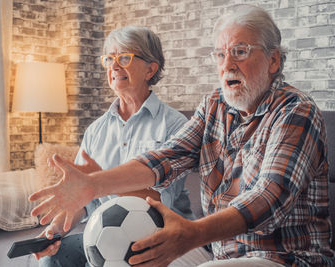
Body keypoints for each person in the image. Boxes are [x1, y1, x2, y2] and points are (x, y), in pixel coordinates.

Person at [30, 5, 335, 267]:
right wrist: (92, 185)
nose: (227, 64)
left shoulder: (296, 111)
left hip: (283, 258)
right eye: (220, 54)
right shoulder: (214, 105)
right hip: (219, 255)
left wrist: (192, 233)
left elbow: (269, 201)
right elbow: (166, 158)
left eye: (240, 52)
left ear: (273, 61)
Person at [34, 26, 195, 267]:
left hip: (159, 235)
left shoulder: (175, 125)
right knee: (51, 259)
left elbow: (159, 204)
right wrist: (56, 229)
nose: (114, 66)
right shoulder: (96, 131)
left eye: (124, 58)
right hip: (102, 234)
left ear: (151, 69)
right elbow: (84, 202)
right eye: (109, 59)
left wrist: (97, 183)